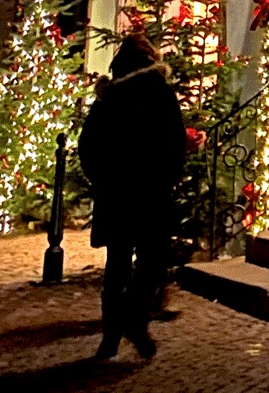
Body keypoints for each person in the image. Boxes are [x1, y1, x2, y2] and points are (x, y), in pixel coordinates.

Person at [78, 31, 188, 362]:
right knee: (152, 262)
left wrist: (102, 179)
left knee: (117, 267)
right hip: (151, 192)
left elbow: (88, 146)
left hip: (116, 194)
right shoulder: (159, 93)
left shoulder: (108, 97)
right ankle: (133, 318)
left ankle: (110, 338)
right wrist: (167, 177)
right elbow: (175, 141)